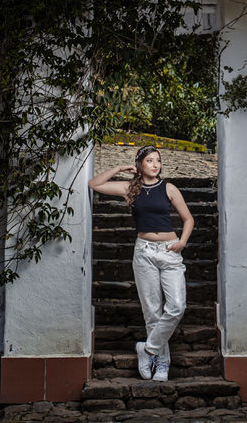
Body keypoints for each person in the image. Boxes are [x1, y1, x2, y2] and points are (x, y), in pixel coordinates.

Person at [89, 145, 194, 381]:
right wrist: (118, 168)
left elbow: (188, 219)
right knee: (152, 312)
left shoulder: (169, 188)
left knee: (176, 306)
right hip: (144, 252)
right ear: (140, 164)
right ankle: (162, 363)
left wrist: (182, 242)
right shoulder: (130, 189)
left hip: (169, 251)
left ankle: (147, 349)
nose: (155, 164)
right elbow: (94, 184)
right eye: (149, 160)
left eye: (158, 160)